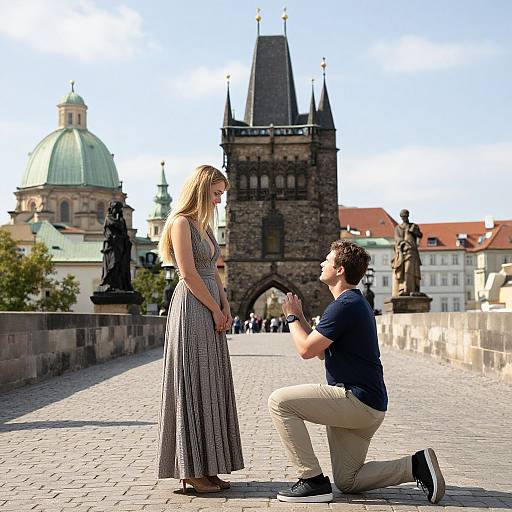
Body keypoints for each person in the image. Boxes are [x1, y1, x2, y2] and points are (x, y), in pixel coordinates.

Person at [268, 240, 445, 504]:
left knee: (279, 402)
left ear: (339, 270)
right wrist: (303, 318)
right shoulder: (351, 303)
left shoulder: (345, 305)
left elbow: (305, 350)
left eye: (327, 260)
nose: (322, 263)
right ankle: (416, 465)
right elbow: (318, 351)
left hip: (356, 401)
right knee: (348, 481)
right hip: (369, 406)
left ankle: (311, 480)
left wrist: (292, 318)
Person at [155, 165, 244, 493]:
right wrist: (212, 307)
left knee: (209, 383)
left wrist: (226, 305)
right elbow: (189, 274)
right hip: (192, 307)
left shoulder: (204, 227)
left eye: (222, 194)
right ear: (202, 189)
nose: (220, 200)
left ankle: (208, 466)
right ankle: (190, 469)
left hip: (209, 304)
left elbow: (214, 272)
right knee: (192, 381)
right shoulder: (180, 223)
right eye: (217, 193)